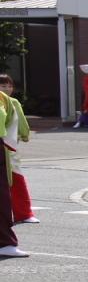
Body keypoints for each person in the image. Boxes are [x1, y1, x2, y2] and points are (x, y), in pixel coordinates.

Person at [0, 75, 36, 224]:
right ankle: (23, 213)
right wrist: (24, 134)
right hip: (7, 145)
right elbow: (21, 123)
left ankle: (22, 213)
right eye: (3, 86)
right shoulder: (12, 103)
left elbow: (21, 122)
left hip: (8, 145)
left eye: (9, 86)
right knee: (15, 180)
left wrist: (24, 133)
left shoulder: (13, 102)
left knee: (14, 180)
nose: (7, 89)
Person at [0, 84, 27, 257]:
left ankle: (4, 241)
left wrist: (22, 133)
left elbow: (13, 118)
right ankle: (4, 241)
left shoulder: (4, 98)